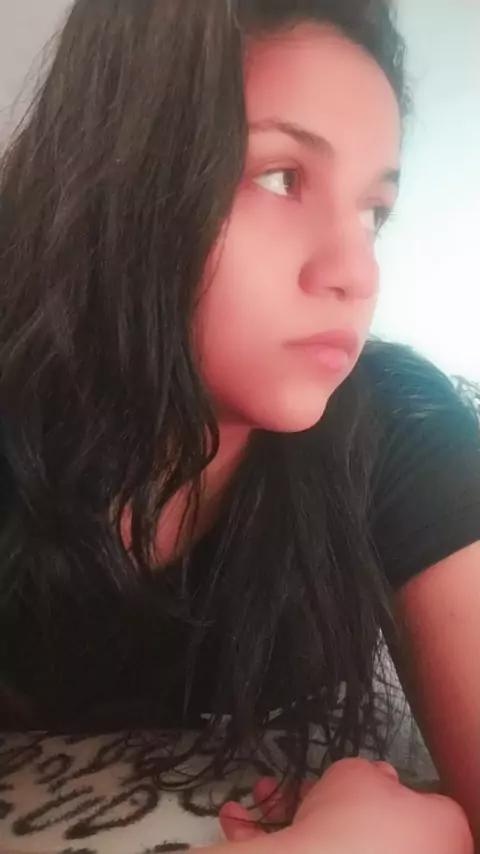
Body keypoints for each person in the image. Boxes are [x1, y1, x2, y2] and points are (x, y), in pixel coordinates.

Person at [0, 1, 479, 852]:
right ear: (119, 171)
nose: (355, 271)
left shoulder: (403, 430)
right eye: (281, 178)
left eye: (374, 211)